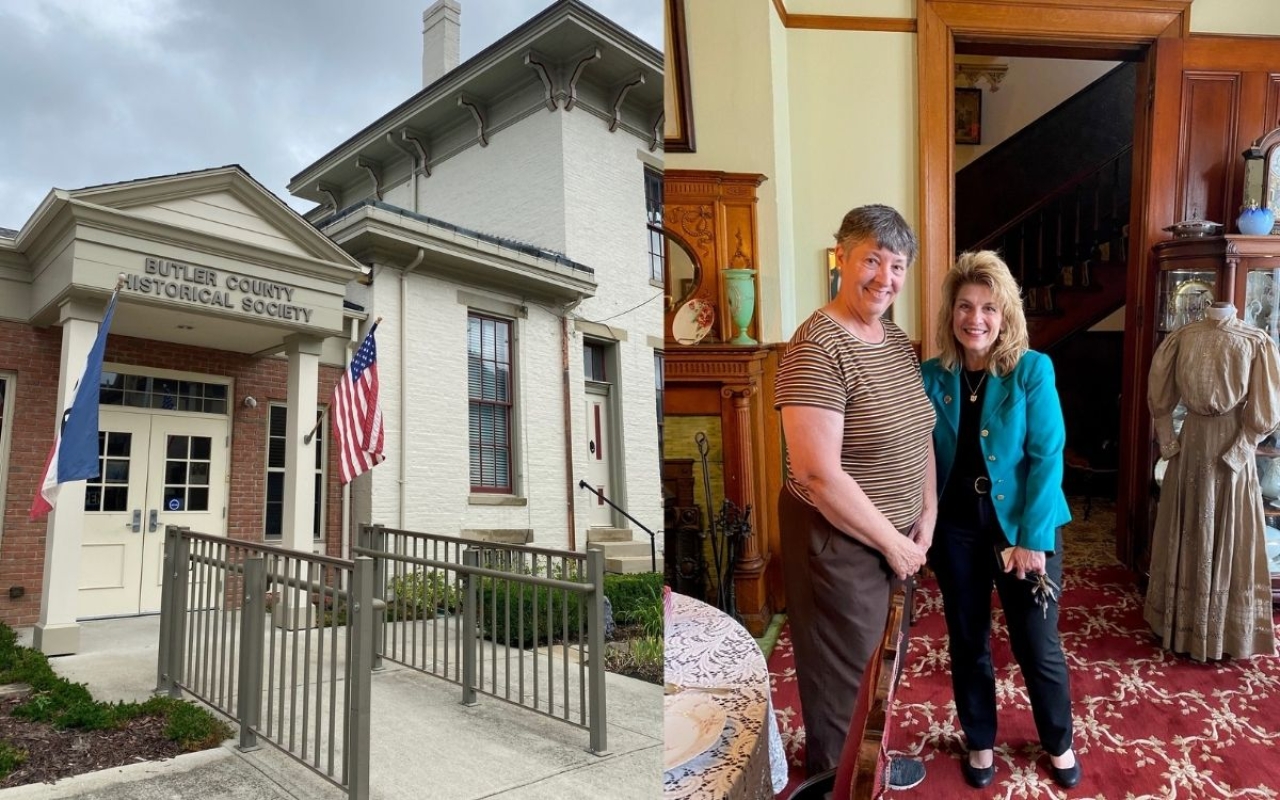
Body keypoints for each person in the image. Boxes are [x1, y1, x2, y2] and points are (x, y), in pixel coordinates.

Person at [775, 204, 935, 791]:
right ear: (841, 257)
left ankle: (867, 763)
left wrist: (928, 513)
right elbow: (818, 475)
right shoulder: (816, 347)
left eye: (897, 266)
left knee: (880, 662)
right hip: (836, 540)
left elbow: (921, 429)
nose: (885, 278)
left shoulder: (892, 338)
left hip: (892, 538)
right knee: (843, 673)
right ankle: (834, 782)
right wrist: (894, 542)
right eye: (872, 259)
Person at [920, 250, 1079, 790]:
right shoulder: (931, 376)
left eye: (989, 307)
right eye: (965, 306)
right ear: (951, 313)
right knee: (968, 639)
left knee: (1037, 642)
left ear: (1005, 313)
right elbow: (918, 454)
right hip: (956, 528)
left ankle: (1058, 740)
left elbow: (1047, 456)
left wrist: (1033, 539)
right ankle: (981, 740)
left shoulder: (1032, 370)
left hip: (1023, 525)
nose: (976, 318)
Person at [1145, 300, 1280, 661]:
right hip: (1190, 444)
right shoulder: (1182, 337)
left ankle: (1222, 631)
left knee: (1229, 528)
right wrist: (1168, 441)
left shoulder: (1255, 340)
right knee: (1186, 525)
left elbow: (1266, 407)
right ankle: (1177, 621)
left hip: (1231, 443)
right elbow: (1160, 396)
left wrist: (1242, 448)